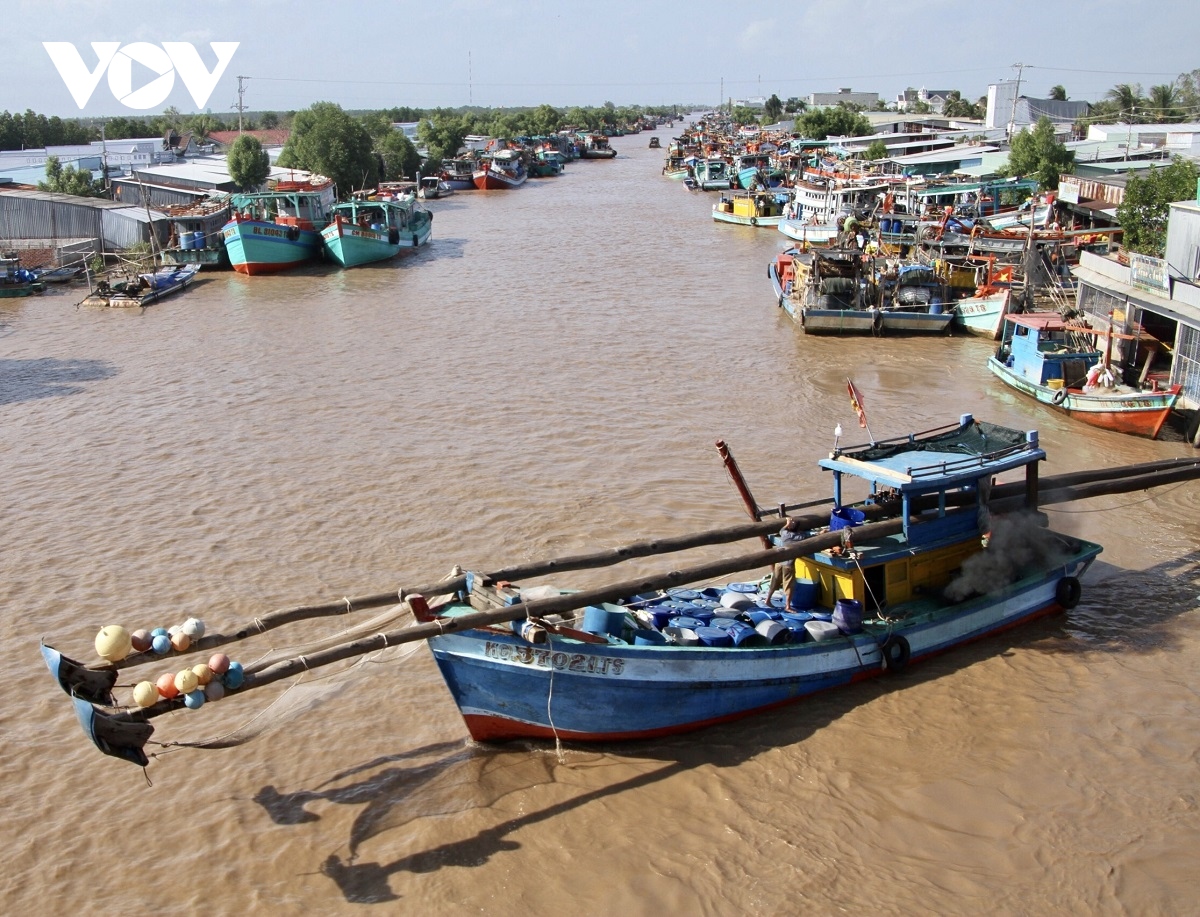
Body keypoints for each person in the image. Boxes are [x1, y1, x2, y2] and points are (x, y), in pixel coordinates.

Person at [763, 517, 806, 608]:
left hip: (779, 562)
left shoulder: (785, 534)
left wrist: (787, 523)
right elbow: (806, 537)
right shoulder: (800, 536)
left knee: (774, 581)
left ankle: (767, 600)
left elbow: (782, 529)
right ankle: (788, 606)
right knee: (789, 585)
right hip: (788, 564)